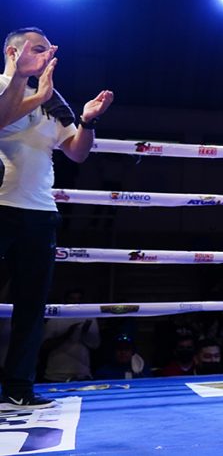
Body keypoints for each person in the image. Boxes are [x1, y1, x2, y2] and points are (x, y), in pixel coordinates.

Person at [0, 27, 113, 409]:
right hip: (0, 208)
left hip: (40, 213)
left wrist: (88, 121)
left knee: (31, 308)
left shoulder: (54, 99)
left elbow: (77, 153)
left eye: (48, 50)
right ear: (12, 53)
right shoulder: (4, 85)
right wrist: (32, 90)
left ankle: (18, 387)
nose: (46, 54)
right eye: (37, 48)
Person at [41, 289, 100, 382]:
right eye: (72, 299)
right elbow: (44, 346)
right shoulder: (55, 319)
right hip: (55, 375)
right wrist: (67, 334)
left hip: (82, 374)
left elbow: (95, 345)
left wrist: (84, 334)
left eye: (79, 299)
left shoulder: (90, 317)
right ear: (65, 300)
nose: (76, 302)